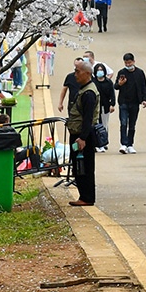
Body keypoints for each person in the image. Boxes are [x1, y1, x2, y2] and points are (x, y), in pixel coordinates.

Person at [67, 60, 99, 206]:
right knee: (78, 166)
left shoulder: (89, 93)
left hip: (83, 135)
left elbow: (88, 118)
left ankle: (87, 197)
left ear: (87, 73)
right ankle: (84, 195)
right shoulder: (83, 89)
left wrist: (82, 138)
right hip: (78, 133)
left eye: (78, 71)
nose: (75, 74)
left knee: (84, 167)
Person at [114, 53, 146, 154]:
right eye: (126, 63)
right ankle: (123, 144)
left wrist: (144, 99)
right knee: (123, 123)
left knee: (132, 125)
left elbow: (143, 86)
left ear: (133, 61)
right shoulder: (121, 72)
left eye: (129, 62)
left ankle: (130, 144)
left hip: (135, 103)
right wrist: (120, 84)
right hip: (123, 102)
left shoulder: (140, 73)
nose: (128, 65)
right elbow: (115, 86)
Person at [92, 63, 115, 151]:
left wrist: (112, 104)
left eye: (101, 70)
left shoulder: (108, 82)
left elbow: (112, 94)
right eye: (98, 70)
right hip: (95, 107)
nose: (99, 72)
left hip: (105, 106)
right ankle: (96, 143)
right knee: (96, 125)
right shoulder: (93, 82)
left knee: (104, 125)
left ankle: (103, 143)